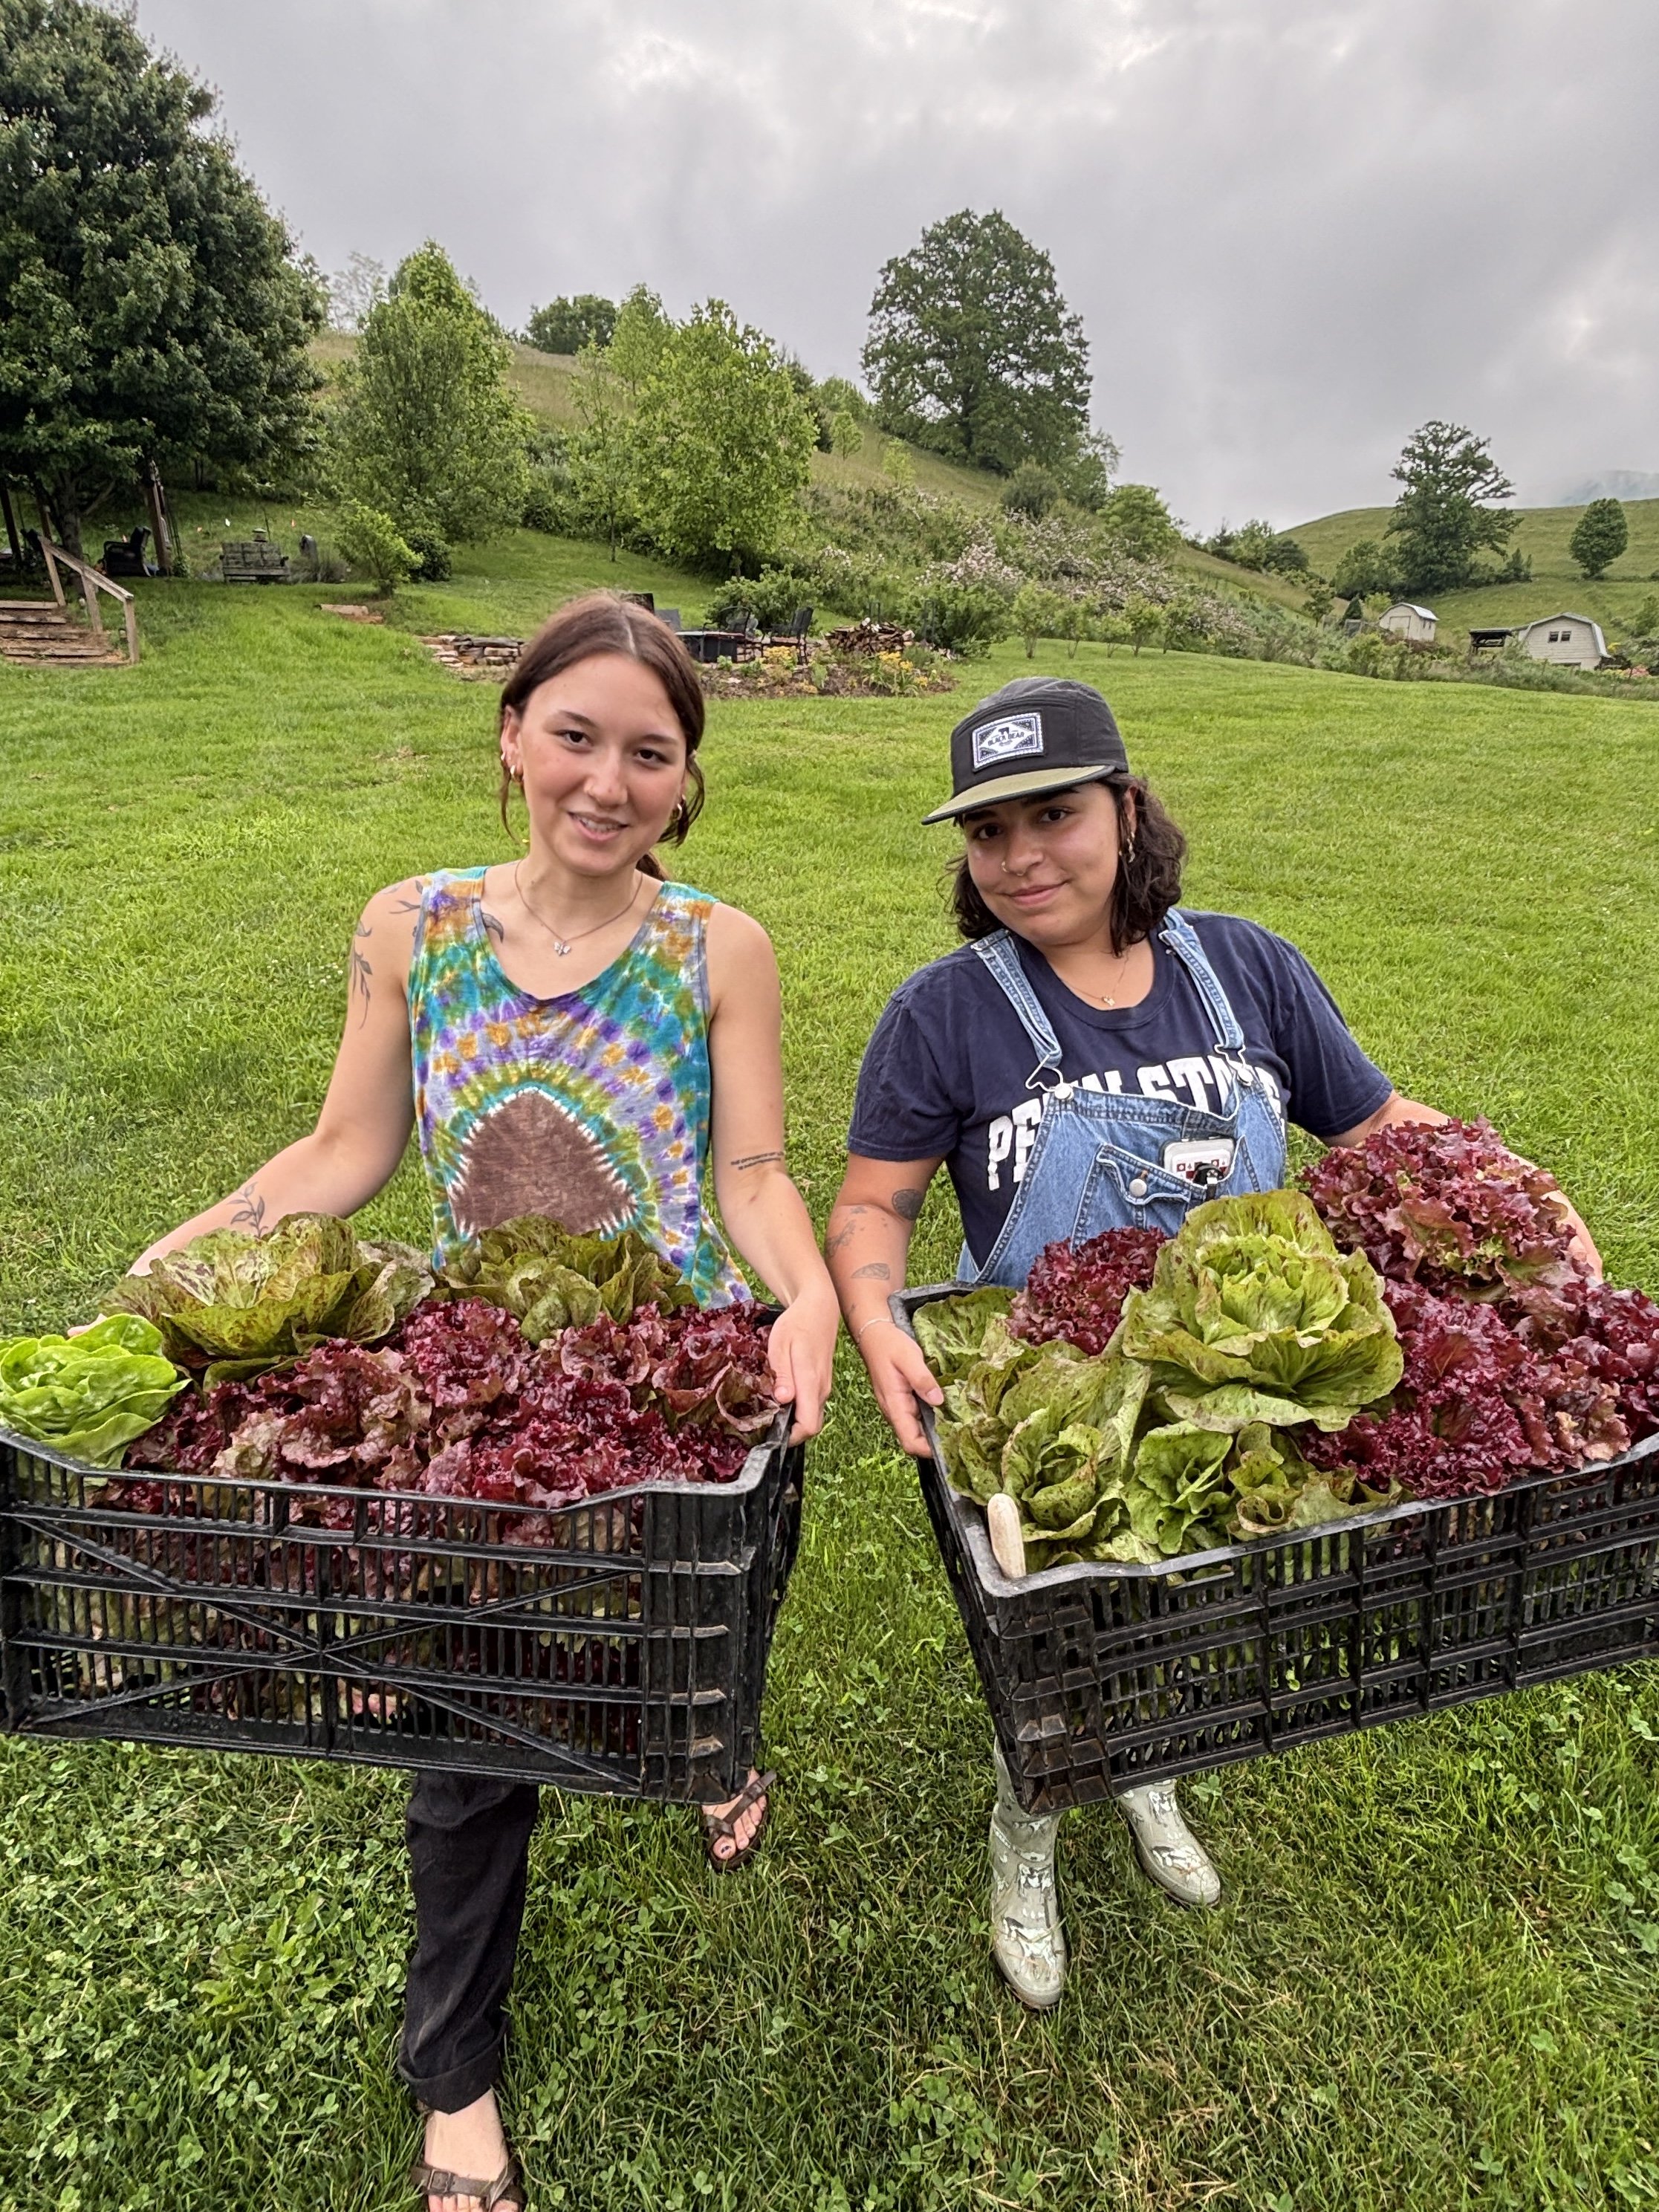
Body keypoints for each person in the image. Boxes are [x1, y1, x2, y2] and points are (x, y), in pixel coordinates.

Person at [131, 593, 840, 2211]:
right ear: (512, 732)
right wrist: (202, 1241)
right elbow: (344, 1153)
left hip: (678, 1378)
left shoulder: (717, 946)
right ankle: (456, 2083)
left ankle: (714, 1752)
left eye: (647, 754)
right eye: (574, 736)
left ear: (684, 780)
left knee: (711, 1631)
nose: (606, 781)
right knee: (467, 1728)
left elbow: (748, 1171)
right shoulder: (412, 925)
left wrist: (799, 1297)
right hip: (482, 1394)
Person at [825, 674, 1598, 2011]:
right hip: (1045, 1405)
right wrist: (876, 1317)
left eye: (1050, 815)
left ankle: (1152, 1773)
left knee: (1181, 1622)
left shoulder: (1243, 965)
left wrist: (1509, 1184)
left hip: (1233, 1391)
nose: (1017, 858)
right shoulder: (940, 1012)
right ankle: (1031, 1833)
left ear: (1125, 810)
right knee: (1054, 1655)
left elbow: (1373, 1125)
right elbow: (871, 1202)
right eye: (984, 832)